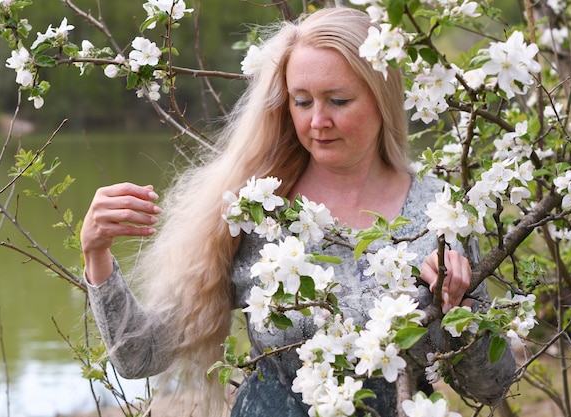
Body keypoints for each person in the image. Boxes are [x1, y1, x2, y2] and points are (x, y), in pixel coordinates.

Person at [80, 7, 515, 417]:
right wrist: (96, 253)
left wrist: (462, 309)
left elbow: (488, 387)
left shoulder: (438, 213)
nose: (317, 121)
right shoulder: (255, 207)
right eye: (302, 101)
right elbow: (140, 355)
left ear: (382, 98)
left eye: (339, 101)